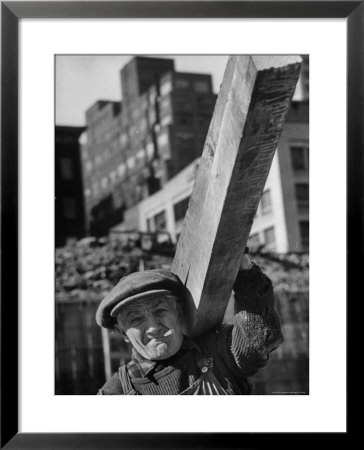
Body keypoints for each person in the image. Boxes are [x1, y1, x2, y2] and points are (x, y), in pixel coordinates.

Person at [95, 251, 283, 395]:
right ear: (122, 332)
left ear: (178, 312)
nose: (153, 327)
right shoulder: (116, 391)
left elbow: (257, 340)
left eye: (160, 310)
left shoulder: (217, 351)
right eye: (136, 319)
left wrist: (244, 269)